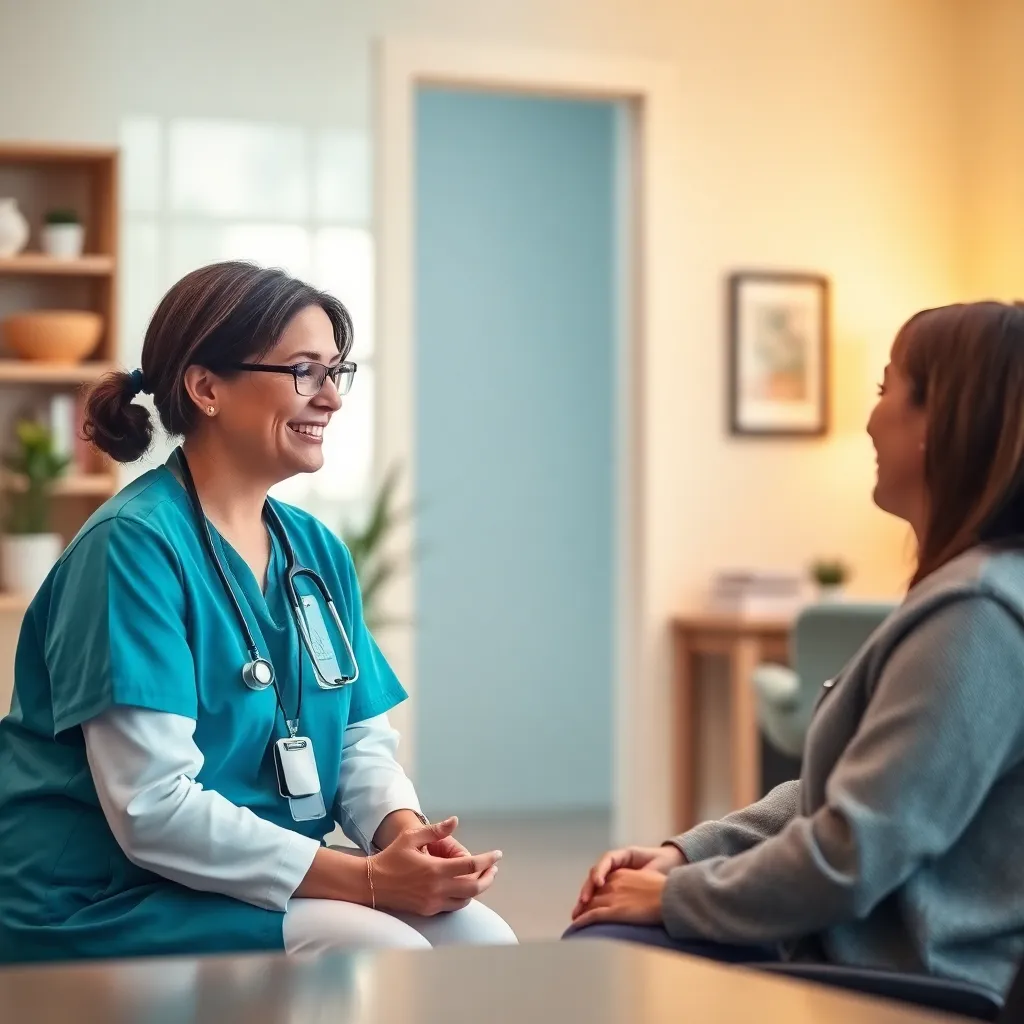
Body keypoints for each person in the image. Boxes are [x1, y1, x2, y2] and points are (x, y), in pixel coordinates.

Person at [0, 260, 516, 962]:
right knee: (383, 951)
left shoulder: (313, 550)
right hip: (105, 895)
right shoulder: (134, 549)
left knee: (485, 941)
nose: (331, 397)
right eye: (304, 371)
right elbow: (152, 808)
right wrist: (366, 882)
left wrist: (402, 838)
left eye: (337, 371)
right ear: (207, 387)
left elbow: (360, 740)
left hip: (253, 873)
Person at [568, 300, 1024, 998]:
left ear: (940, 422)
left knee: (610, 949)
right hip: (849, 943)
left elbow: (850, 854)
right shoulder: (965, 593)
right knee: (612, 932)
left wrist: (675, 897)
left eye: (885, 390)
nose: (870, 420)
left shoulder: (975, 620)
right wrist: (682, 855)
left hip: (911, 984)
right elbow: (835, 797)